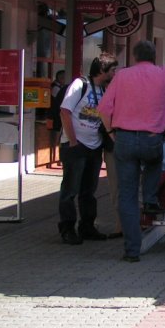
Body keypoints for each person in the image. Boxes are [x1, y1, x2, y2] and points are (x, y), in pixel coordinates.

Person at [98, 40, 165, 262]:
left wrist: (111, 132)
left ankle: (132, 250)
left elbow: (104, 108)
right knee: (155, 162)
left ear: (134, 57)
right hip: (153, 139)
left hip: (124, 138)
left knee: (127, 196)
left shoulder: (122, 76)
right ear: (154, 56)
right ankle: (151, 198)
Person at [57, 53, 118, 245]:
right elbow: (65, 111)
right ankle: (67, 228)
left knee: (89, 191)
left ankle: (87, 226)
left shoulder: (105, 90)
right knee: (70, 189)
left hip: (94, 146)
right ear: (102, 70)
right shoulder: (79, 85)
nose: (115, 73)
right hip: (76, 146)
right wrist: (73, 141)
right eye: (113, 70)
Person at [48, 69, 66, 165]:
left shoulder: (60, 87)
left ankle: (57, 159)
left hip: (57, 116)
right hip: (54, 116)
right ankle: (54, 159)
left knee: (58, 137)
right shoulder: (55, 88)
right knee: (56, 138)